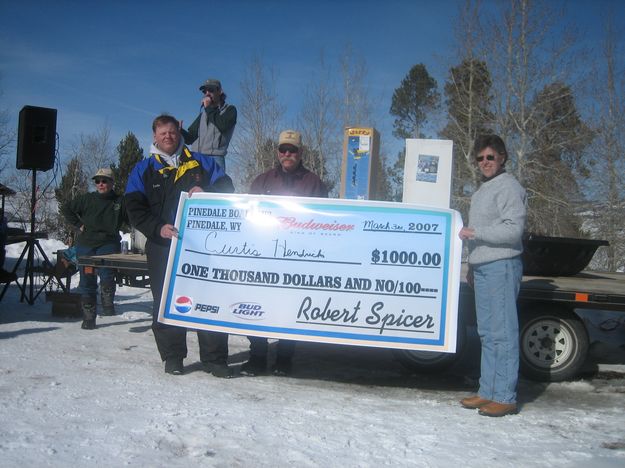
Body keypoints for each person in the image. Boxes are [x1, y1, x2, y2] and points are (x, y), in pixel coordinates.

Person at [125, 114, 235, 377]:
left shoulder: (202, 162)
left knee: (209, 299)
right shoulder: (143, 169)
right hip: (163, 244)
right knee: (166, 300)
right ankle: (173, 357)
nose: (168, 136)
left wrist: (208, 194)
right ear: (154, 136)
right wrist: (157, 228)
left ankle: (214, 359)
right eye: (162, 132)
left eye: (172, 132)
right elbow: (133, 208)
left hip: (203, 245)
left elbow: (228, 188)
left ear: (179, 132)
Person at [240, 129, 328, 377]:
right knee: (257, 305)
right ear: (277, 152)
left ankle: (284, 358)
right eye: (283, 149)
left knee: (290, 308)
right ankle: (257, 355)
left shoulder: (314, 183)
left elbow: (323, 222)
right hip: (264, 256)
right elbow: (249, 216)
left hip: (297, 259)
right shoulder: (262, 181)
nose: (287, 154)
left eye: (293, 150)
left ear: (301, 153)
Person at [458, 134, 527, 417]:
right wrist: (473, 265)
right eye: (480, 158)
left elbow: (513, 231)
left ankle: (505, 395)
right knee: (487, 333)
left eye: (490, 157)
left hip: (502, 265)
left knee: (503, 333)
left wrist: (477, 233)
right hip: (484, 267)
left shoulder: (509, 187)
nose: (485, 162)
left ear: (502, 158)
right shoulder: (482, 190)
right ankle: (487, 391)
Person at [61, 168, 126, 329]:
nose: (101, 184)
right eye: (98, 181)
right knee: (87, 279)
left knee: (106, 273)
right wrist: (78, 225)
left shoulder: (120, 201)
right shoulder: (87, 199)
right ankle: (89, 316)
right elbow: (66, 208)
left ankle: (107, 303)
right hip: (87, 244)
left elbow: (134, 216)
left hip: (109, 243)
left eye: (104, 180)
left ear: (112, 182)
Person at [181, 78, 237, 172]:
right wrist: (179, 130)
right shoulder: (204, 114)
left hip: (215, 159)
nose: (207, 93)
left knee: (216, 187)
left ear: (219, 91)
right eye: (204, 91)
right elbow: (190, 138)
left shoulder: (230, 110)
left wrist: (208, 109)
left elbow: (223, 125)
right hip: (196, 159)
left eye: (211, 90)